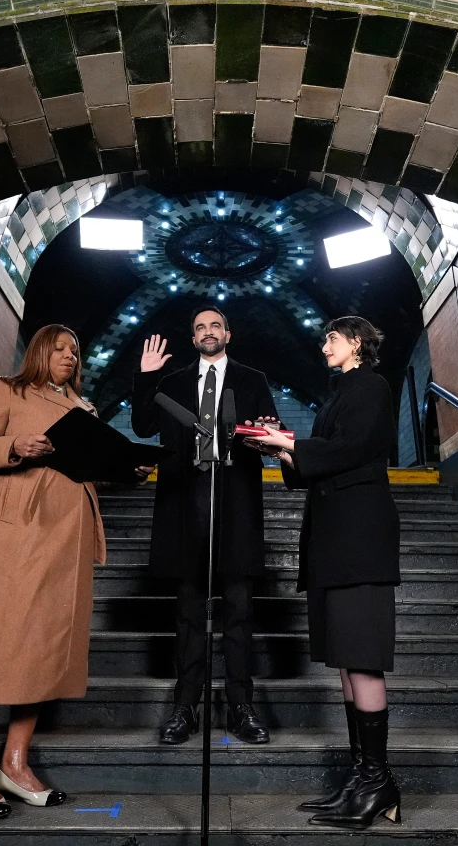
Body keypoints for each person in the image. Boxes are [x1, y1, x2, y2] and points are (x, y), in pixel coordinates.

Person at [0, 325, 108, 819]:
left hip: (65, 536)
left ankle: (13, 762)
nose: (70, 356)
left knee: (42, 645)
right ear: (39, 351)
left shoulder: (84, 408)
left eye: (75, 350)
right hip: (15, 531)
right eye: (60, 349)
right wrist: (15, 444)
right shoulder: (8, 390)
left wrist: (123, 466)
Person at [254, 316, 402, 830]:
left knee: (362, 660)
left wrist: (292, 442)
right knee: (345, 661)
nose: (323, 346)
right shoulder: (337, 395)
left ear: (356, 341)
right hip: (333, 541)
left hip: (360, 539)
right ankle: (362, 779)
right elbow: (311, 470)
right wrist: (281, 450)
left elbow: (353, 449)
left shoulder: (372, 387)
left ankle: (378, 782)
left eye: (331, 338)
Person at [131, 305, 278, 745]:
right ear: (193, 339)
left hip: (236, 504)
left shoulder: (253, 379)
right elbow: (142, 425)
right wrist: (146, 376)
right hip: (185, 505)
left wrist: (267, 433)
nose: (208, 332)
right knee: (189, 613)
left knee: (239, 611)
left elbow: (270, 431)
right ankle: (185, 707)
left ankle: (241, 707)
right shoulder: (173, 382)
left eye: (215, 325)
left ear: (228, 334)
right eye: (200, 327)